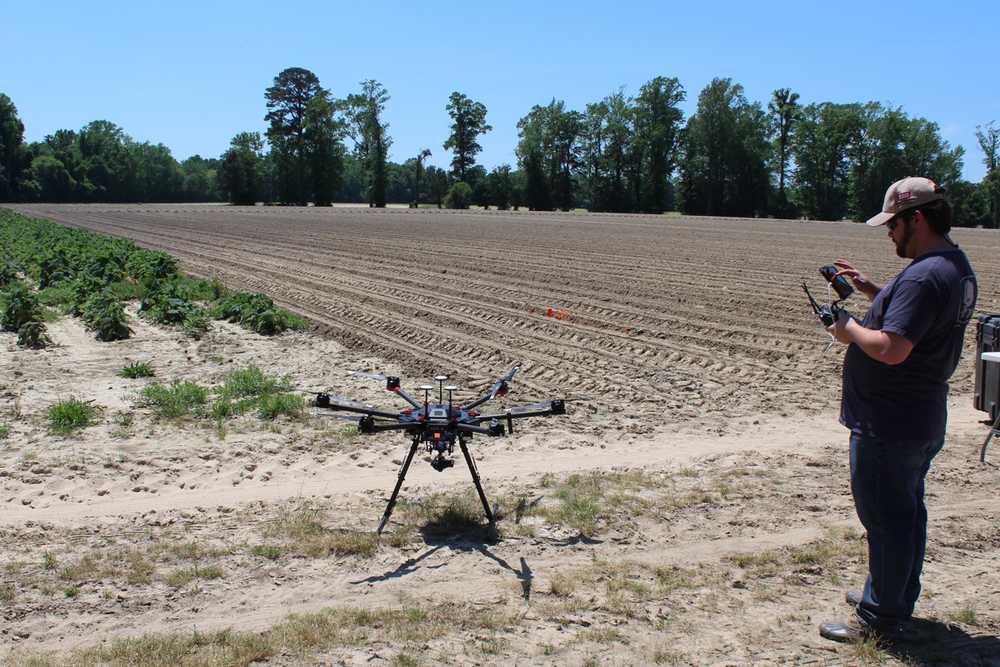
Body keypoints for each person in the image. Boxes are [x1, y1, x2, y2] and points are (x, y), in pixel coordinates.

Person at [819, 176, 978, 642]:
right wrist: (874, 290)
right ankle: (894, 595)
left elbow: (892, 348)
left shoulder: (926, 275)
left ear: (918, 219)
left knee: (887, 519)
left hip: (889, 420)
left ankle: (880, 621)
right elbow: (919, 319)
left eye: (893, 224)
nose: (889, 233)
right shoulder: (953, 265)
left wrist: (846, 326)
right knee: (905, 513)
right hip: (918, 414)